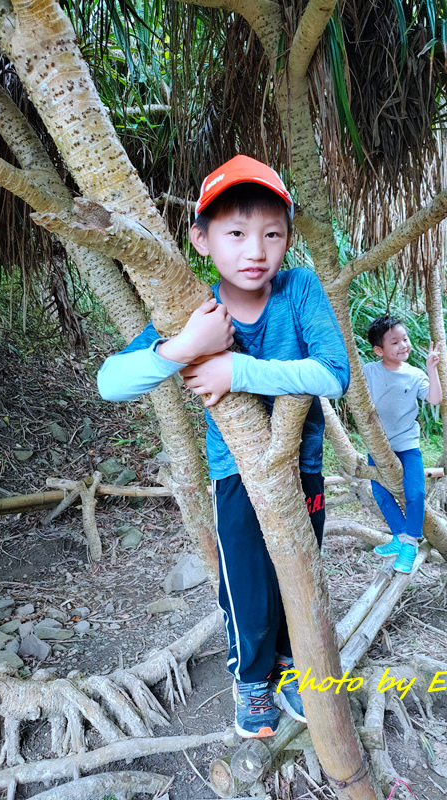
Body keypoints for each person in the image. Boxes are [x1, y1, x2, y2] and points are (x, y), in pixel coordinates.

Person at [97, 155, 350, 739]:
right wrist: (185, 344)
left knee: (301, 567)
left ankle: (293, 670)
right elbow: (111, 383)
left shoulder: (299, 289)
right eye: (235, 233)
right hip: (232, 471)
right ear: (201, 239)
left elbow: (333, 374)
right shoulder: (194, 307)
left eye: (271, 233)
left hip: (299, 467)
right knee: (246, 579)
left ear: (288, 237)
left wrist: (238, 371)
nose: (255, 250)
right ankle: (252, 680)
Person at [363, 316, 442, 573]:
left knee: (415, 492)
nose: (403, 345)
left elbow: (435, 398)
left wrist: (432, 368)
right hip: (378, 445)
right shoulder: (369, 371)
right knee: (381, 492)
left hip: (407, 444)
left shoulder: (414, 374)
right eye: (394, 342)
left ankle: (410, 542)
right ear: (378, 350)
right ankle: (398, 535)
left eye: (405, 339)